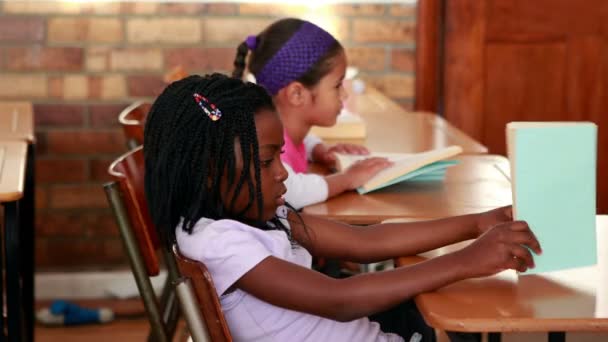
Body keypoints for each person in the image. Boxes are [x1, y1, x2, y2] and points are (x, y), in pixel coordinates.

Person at [144, 73, 541, 342]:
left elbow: (363, 242)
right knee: (458, 308)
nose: (282, 174)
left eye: (279, 157)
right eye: (266, 162)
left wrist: (477, 223)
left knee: (451, 307)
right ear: (208, 173)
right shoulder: (220, 241)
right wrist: (464, 262)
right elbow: (340, 300)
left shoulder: (250, 217)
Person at [233, 18, 392, 209]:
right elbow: (291, 190)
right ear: (297, 94)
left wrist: (319, 150)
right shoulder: (264, 146)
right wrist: (347, 179)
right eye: (337, 85)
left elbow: (301, 141)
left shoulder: (285, 133)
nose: (344, 94)